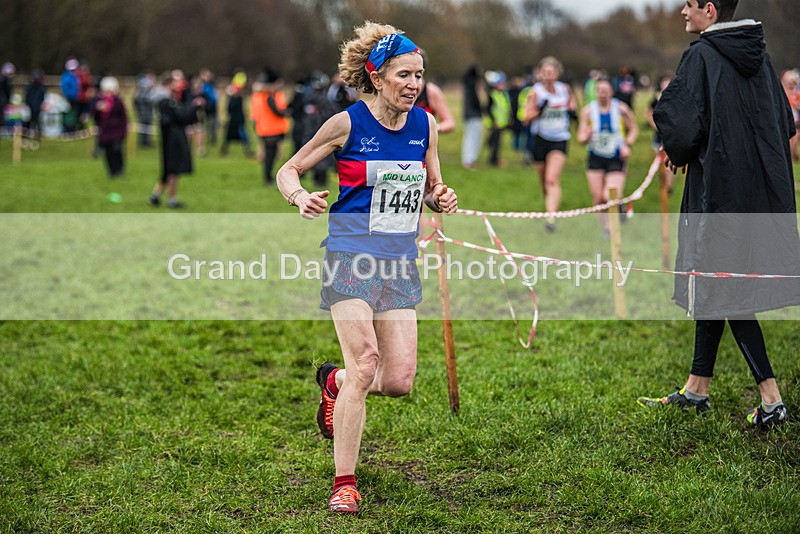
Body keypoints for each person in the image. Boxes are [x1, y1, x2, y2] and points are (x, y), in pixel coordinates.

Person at [276, 22, 457, 515]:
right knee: (366, 364)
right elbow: (287, 168)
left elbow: (432, 189)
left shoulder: (426, 126)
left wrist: (441, 196)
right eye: (404, 75)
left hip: (399, 264)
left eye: (419, 75)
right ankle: (344, 484)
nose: (414, 84)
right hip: (350, 259)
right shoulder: (347, 124)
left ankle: (333, 383)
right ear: (377, 78)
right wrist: (298, 196)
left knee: (398, 381)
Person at [638, 0, 800, 427]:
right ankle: (697, 389)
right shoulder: (760, 58)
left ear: (709, 9)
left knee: (725, 288)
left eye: (688, 5)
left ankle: (771, 399)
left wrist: (678, 150)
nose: (682, 13)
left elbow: (678, 120)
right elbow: (785, 123)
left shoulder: (701, 56)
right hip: (759, 194)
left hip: (721, 195)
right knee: (717, 284)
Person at [576, 77, 638, 236]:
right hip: (595, 157)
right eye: (600, 91)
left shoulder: (621, 108)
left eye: (606, 91)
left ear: (611, 92)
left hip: (616, 156)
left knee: (609, 194)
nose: (603, 94)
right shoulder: (588, 111)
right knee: (599, 199)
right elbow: (580, 138)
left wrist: (627, 144)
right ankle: (606, 229)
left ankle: (617, 214)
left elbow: (634, 129)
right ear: (595, 92)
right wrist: (587, 136)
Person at [524, 56, 577, 232]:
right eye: (545, 73)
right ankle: (551, 208)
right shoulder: (535, 92)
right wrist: (540, 109)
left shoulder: (564, 89)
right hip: (541, 139)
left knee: (551, 179)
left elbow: (573, 106)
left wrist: (572, 110)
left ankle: (551, 218)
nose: (548, 76)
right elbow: (526, 118)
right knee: (544, 182)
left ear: (557, 73)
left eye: (551, 72)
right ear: (540, 74)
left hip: (560, 139)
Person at [148, 71, 205, 208]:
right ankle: (171, 199)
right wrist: (194, 105)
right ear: (169, 83)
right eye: (177, 81)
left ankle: (155, 195)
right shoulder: (166, 101)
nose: (180, 84)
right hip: (172, 138)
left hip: (171, 136)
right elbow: (181, 115)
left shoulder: (169, 99)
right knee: (174, 169)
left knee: (169, 169)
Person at [250, 68, 290, 186]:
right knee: (270, 156)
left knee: (269, 155)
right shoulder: (269, 96)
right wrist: (287, 112)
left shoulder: (261, 95)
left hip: (266, 129)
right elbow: (277, 112)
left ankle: (268, 177)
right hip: (271, 130)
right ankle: (268, 178)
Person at [91, 76, 128, 178]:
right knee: (107, 153)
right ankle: (111, 172)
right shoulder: (99, 101)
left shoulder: (118, 102)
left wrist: (123, 132)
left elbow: (124, 118)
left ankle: (120, 171)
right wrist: (98, 109)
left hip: (117, 132)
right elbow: (95, 118)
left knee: (117, 151)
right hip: (105, 133)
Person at [646, 73, 676, 193]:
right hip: (658, 135)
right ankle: (662, 184)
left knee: (670, 160)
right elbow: (648, 112)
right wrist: (655, 125)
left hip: (671, 134)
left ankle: (668, 186)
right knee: (659, 160)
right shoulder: (656, 98)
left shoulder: (677, 98)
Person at [220, 70, 254, 157]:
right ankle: (225, 149)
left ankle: (246, 150)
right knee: (233, 134)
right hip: (235, 118)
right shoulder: (235, 94)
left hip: (237, 118)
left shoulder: (237, 95)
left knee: (239, 134)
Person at [484, 70, 510, 167]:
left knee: (497, 143)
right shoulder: (492, 95)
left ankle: (494, 159)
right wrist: (494, 121)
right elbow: (489, 109)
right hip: (495, 124)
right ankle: (493, 161)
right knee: (495, 144)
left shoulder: (501, 94)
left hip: (501, 123)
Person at [460, 64, 483, 170]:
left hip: (468, 115)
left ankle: (468, 159)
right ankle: (469, 160)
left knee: (469, 137)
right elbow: (475, 101)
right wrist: (481, 109)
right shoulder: (471, 85)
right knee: (472, 138)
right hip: (474, 115)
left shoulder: (466, 84)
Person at [780, 69, 800, 161]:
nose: (791, 84)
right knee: (789, 137)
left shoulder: (797, 94)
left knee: (795, 136)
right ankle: (790, 154)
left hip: (795, 118)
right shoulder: (783, 92)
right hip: (787, 118)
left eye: (793, 82)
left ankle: (792, 153)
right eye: (790, 82)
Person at [133, 71, 156, 148]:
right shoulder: (143, 91)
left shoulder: (142, 90)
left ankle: (146, 141)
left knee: (147, 127)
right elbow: (143, 100)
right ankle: (143, 142)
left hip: (146, 112)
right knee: (143, 127)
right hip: (143, 112)